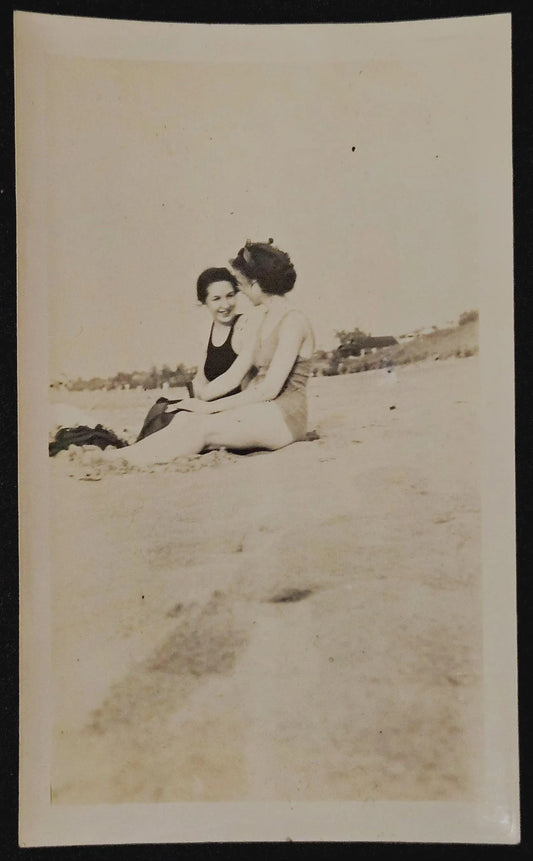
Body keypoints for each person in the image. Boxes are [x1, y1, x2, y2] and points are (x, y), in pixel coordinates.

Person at [98, 240, 315, 467]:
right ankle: (126, 455)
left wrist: (210, 407)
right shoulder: (262, 318)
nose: (239, 289)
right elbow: (236, 372)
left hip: (285, 416)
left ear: (257, 284)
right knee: (187, 418)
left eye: (241, 283)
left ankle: (122, 461)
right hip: (262, 410)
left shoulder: (293, 321)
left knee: (204, 429)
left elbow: (269, 390)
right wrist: (196, 401)